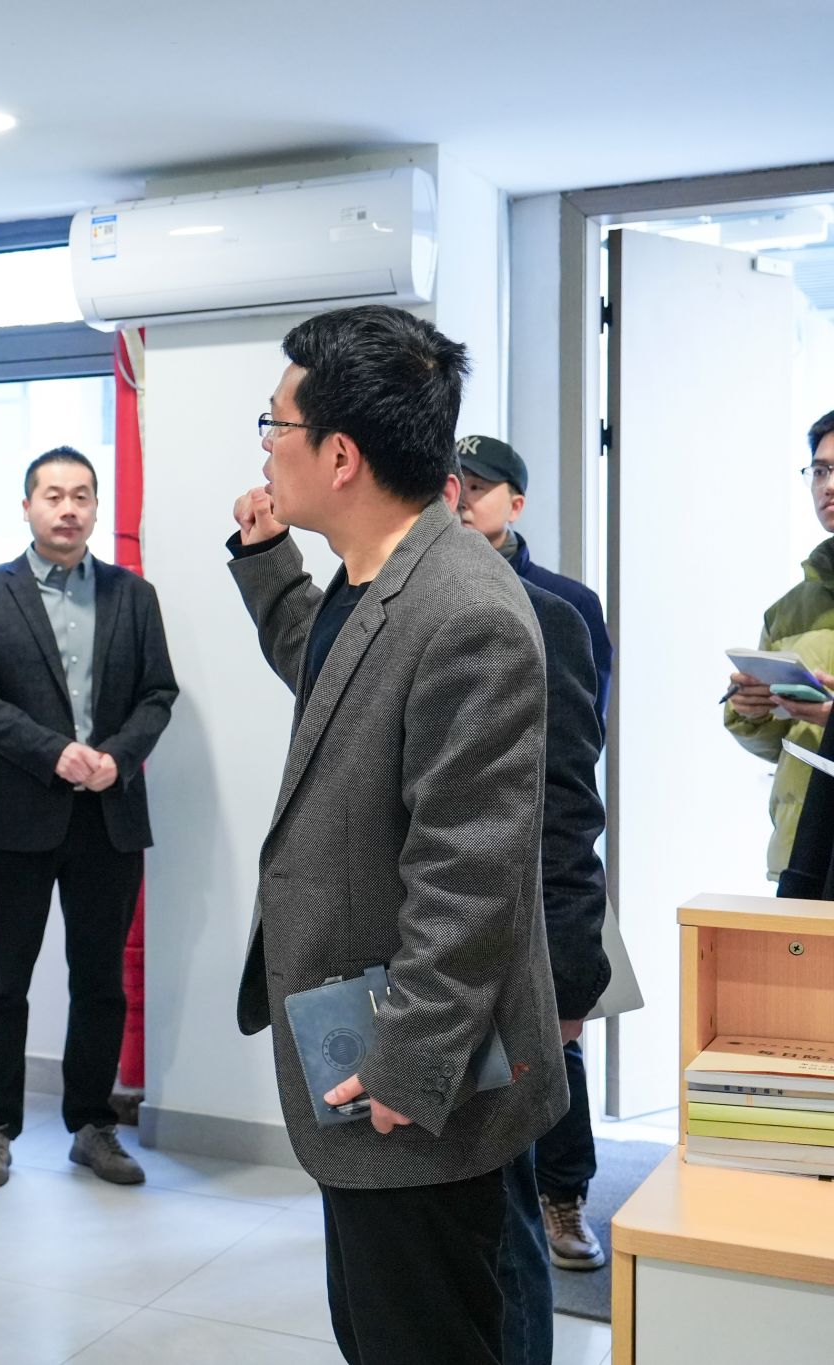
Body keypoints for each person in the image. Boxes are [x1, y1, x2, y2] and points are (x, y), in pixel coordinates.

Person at [229, 304, 567, 1365]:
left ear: (339, 455)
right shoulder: (377, 574)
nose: (266, 447)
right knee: (379, 1326)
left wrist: (406, 1064)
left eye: (276, 424)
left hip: (415, 1077)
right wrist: (265, 561)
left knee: (424, 1334)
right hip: (366, 1045)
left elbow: (469, 876)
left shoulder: (466, 611)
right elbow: (337, 685)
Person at [0, 446, 178, 1188]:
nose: (68, 508)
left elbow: (158, 693)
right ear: (27, 506)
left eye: (82, 495)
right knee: (2, 979)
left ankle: (92, 1125)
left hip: (109, 814)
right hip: (18, 813)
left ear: (96, 507)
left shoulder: (132, 595)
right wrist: (54, 753)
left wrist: (119, 757)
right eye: (53, 495)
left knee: (101, 980)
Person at [437, 468, 612, 1362]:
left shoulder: (558, 610)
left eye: (481, 487)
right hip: (443, 951)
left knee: (515, 1181)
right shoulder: (409, 604)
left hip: (535, 919)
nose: (463, 503)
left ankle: (567, 1197)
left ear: (515, 500)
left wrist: (575, 969)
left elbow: (571, 792)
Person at [723, 408, 834, 882]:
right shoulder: (787, 611)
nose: (828, 485)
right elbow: (779, 747)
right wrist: (751, 712)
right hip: (804, 853)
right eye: (821, 470)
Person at [455, 436, 612, 726]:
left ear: (515, 506)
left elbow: (583, 725)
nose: (461, 501)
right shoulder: (423, 586)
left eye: (476, 487)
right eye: (452, 487)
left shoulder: (568, 601)